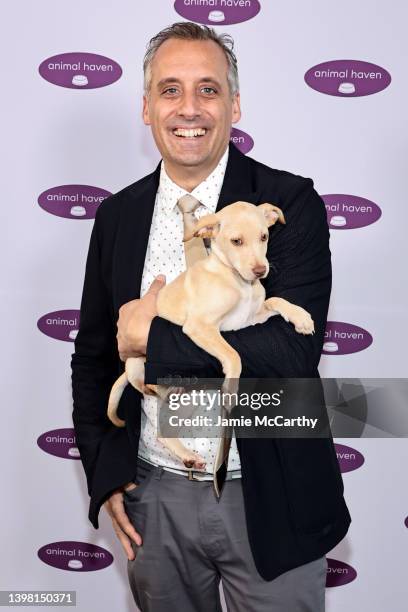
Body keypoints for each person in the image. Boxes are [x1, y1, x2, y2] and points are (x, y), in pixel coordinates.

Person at [71, 22, 351, 612]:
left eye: (208, 89)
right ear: (146, 108)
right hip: (156, 495)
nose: (189, 109)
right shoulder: (117, 215)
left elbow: (289, 353)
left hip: (271, 492)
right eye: (170, 90)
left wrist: (155, 337)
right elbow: (95, 355)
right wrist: (106, 471)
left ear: (235, 104)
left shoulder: (291, 202)